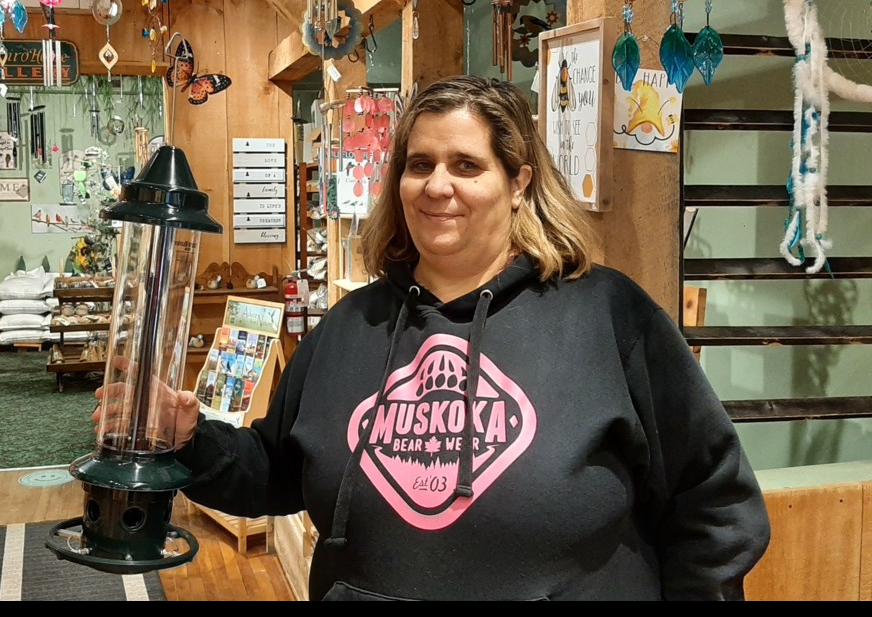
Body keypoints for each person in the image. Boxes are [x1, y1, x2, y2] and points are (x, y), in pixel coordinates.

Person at [103, 75, 770, 600]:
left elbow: (714, 499)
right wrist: (187, 439)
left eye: (467, 165)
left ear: (518, 183)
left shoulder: (606, 314)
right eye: (419, 164)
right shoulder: (348, 327)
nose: (437, 186)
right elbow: (276, 473)